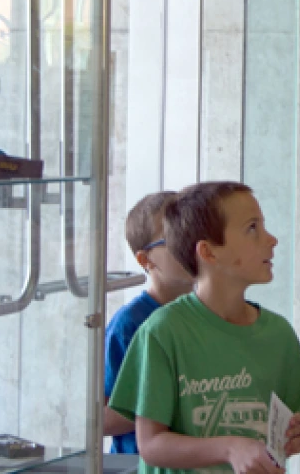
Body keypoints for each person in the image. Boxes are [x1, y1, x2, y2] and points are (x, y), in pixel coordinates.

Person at [110, 182, 300, 473]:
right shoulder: (162, 332)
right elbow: (151, 445)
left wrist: (295, 437)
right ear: (208, 252)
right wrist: (229, 447)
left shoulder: (280, 335)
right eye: (252, 228)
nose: (272, 240)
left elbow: (290, 432)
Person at [104, 190, 193, 454]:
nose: (190, 246)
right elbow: (100, 418)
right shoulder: (129, 324)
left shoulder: (210, 315)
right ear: (145, 259)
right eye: (175, 238)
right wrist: (166, 404)